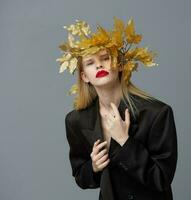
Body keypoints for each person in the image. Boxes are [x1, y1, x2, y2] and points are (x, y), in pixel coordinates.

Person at [58, 17, 178, 200]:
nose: (99, 65)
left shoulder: (157, 114)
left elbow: (161, 179)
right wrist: (93, 167)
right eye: (90, 62)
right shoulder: (76, 120)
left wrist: (125, 141)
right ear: (84, 76)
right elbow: (81, 177)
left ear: (120, 65)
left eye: (106, 58)